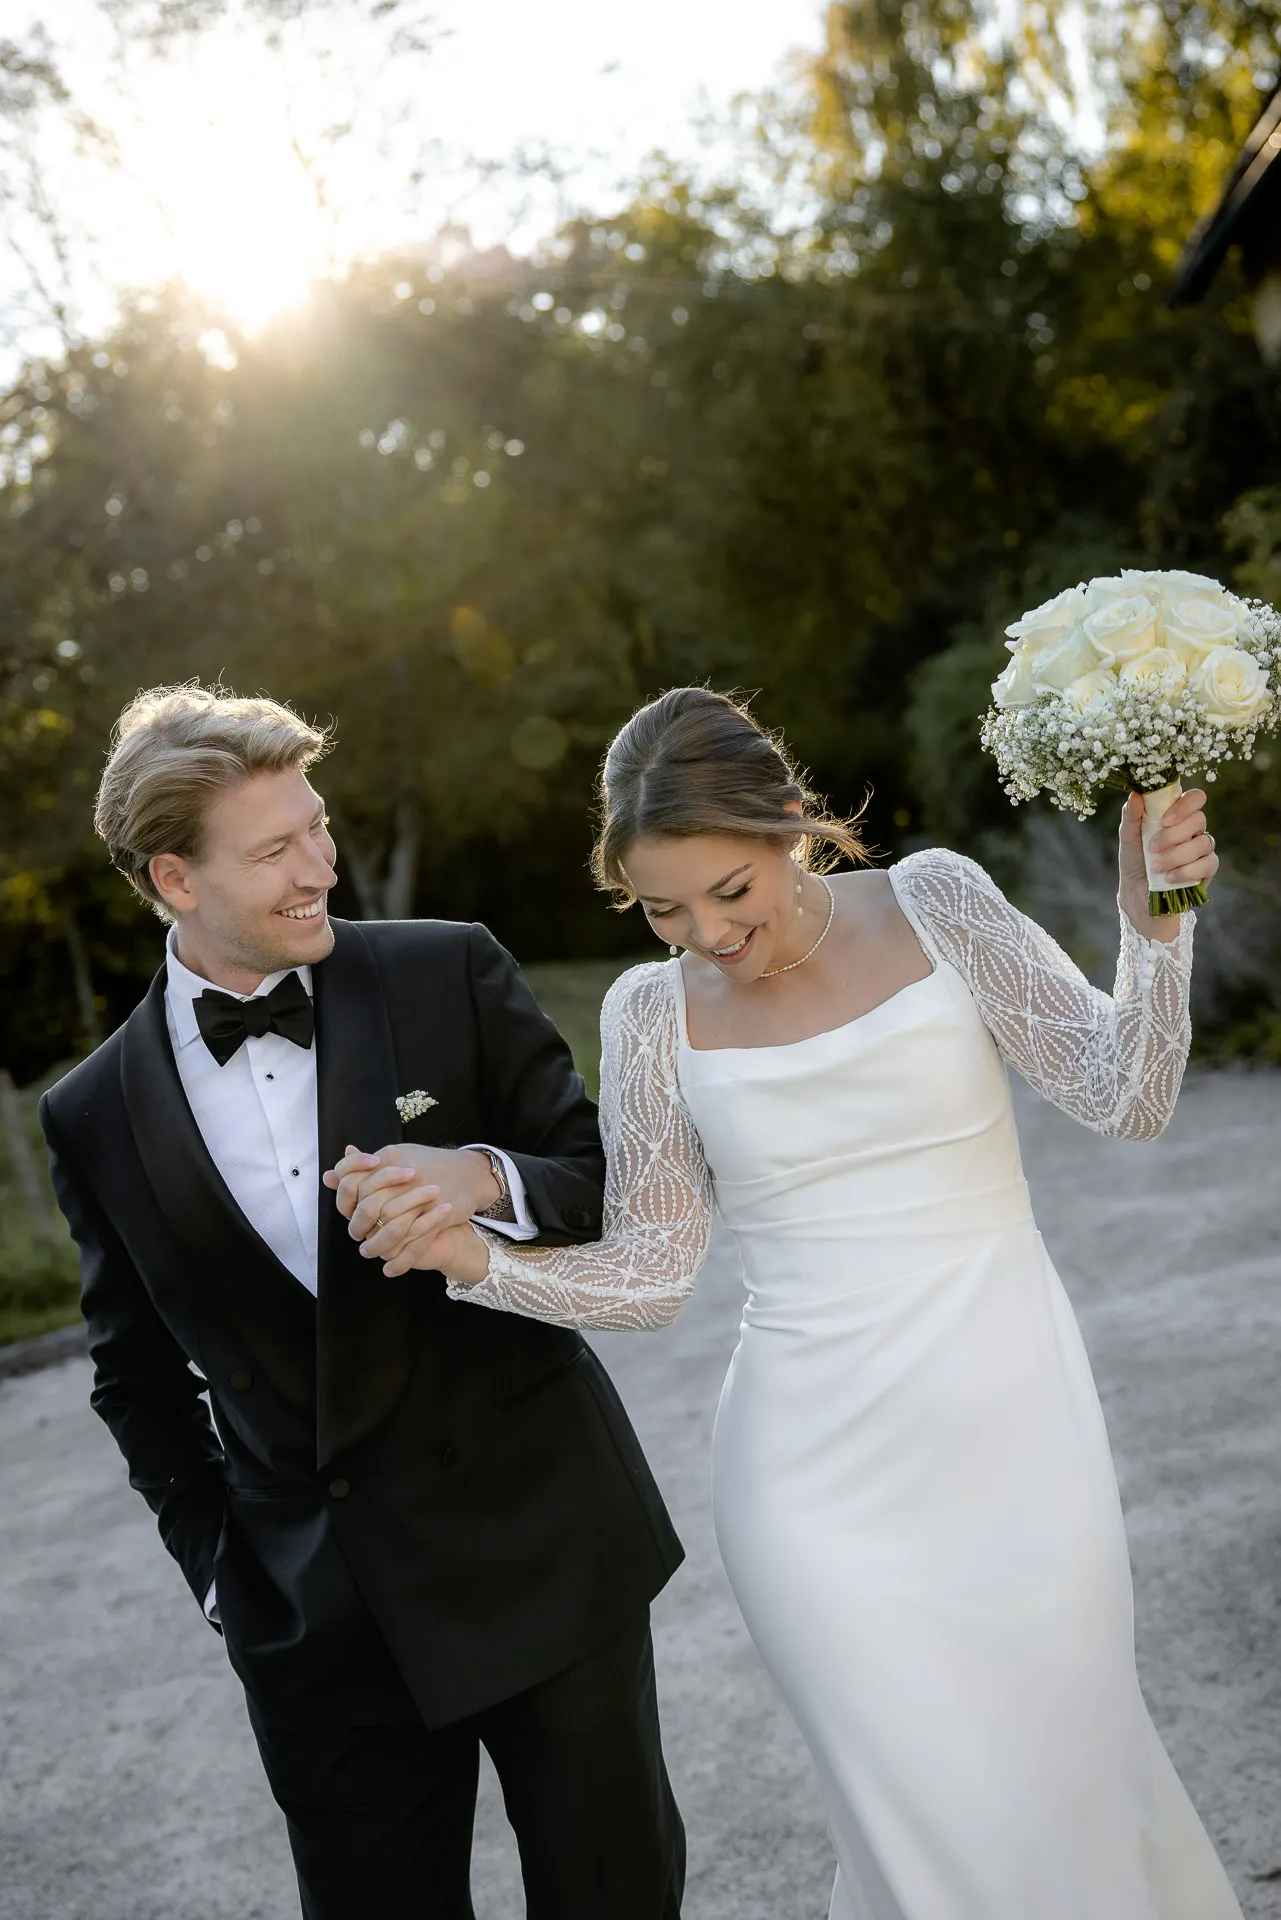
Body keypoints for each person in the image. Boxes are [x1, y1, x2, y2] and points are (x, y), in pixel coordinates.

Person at [334, 685, 1242, 1920]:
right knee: (924, 1824)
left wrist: (1160, 918)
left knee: (1071, 1775)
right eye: (663, 910)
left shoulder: (937, 899)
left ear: (787, 826)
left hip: (1017, 1435)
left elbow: (1126, 1095)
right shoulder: (648, 1014)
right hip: (810, 1488)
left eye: (729, 891)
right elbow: (654, 1274)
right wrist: (475, 1262)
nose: (707, 934)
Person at [39, 683, 686, 1920]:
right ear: (175, 879)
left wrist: (479, 1178)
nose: (321, 867)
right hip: (319, 1619)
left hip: (541, 1545)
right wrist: (227, 1580)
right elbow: (134, 1377)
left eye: (319, 827)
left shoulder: (449, 968)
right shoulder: (91, 1111)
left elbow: (603, 1181)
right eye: (275, 850)